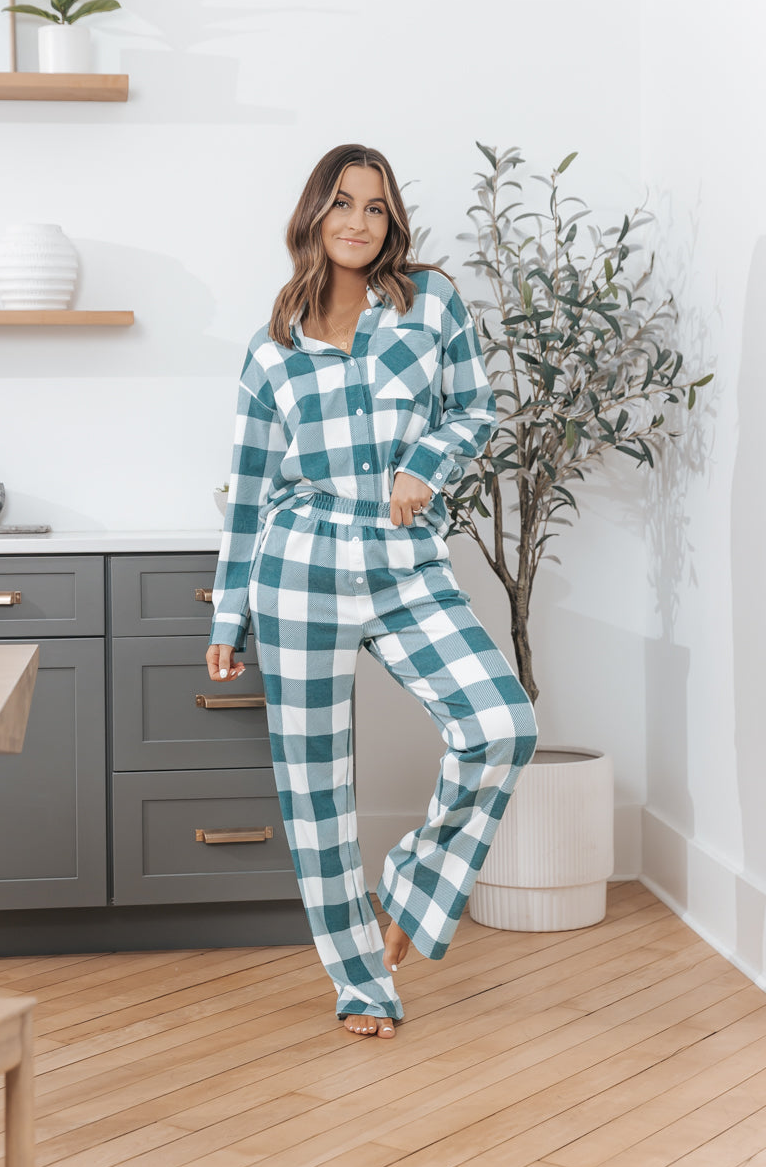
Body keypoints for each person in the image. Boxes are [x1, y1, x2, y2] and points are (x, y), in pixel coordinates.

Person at [206, 144, 538, 1040]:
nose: (358, 221)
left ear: (392, 224)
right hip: (298, 567)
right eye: (343, 202)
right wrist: (229, 611)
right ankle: (361, 984)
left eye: (376, 208)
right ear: (315, 212)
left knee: (503, 726)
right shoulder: (271, 350)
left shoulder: (426, 302)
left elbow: (475, 408)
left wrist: (424, 466)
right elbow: (246, 489)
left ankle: (412, 885)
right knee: (315, 789)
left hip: (402, 558)